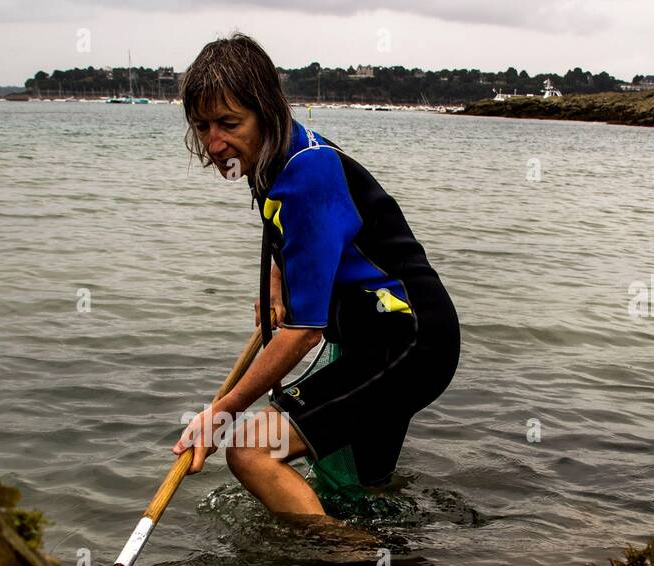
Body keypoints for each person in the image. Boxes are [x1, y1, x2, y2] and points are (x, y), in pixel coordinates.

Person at [172, 34, 460, 517]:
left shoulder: (309, 174)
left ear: (266, 110)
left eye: (228, 123)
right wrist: (275, 289)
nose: (214, 142)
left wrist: (219, 415)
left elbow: (304, 334)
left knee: (250, 450)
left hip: (410, 343)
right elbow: (291, 234)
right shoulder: (270, 157)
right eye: (201, 126)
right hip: (380, 336)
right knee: (364, 491)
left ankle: (336, 565)